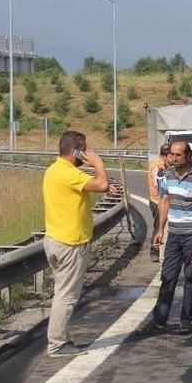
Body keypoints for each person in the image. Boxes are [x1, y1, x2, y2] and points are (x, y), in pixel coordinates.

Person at [42, 131, 115, 357]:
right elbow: (102, 184)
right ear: (76, 150)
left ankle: (59, 338)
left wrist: (99, 180)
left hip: (55, 239)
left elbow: (90, 186)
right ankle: (58, 344)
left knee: (61, 292)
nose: (87, 152)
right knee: (66, 295)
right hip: (71, 242)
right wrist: (99, 164)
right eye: (85, 149)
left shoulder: (55, 170)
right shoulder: (69, 174)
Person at [137, 140, 192, 336]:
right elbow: (164, 202)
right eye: (171, 154)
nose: (174, 158)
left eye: (178, 155)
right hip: (175, 234)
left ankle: (186, 320)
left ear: (188, 156)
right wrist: (160, 230)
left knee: (190, 277)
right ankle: (159, 320)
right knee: (168, 276)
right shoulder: (167, 174)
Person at [147, 143, 171, 262]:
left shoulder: (163, 164)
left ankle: (162, 249)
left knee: (162, 226)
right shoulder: (158, 167)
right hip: (158, 202)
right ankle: (154, 250)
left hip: (159, 201)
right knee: (159, 226)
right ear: (165, 155)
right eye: (171, 155)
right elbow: (160, 187)